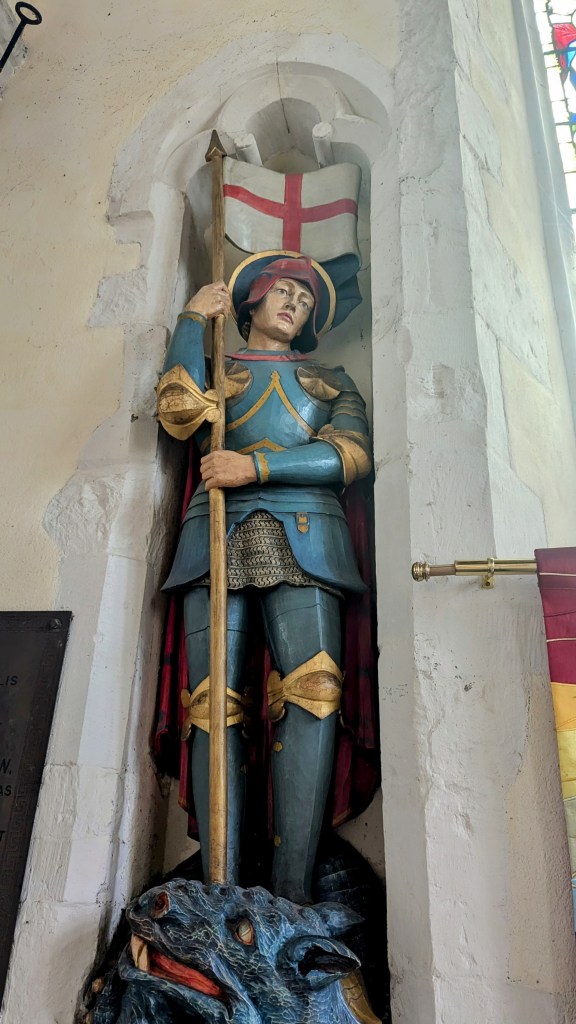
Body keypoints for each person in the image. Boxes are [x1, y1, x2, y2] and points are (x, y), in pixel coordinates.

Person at [157, 253, 371, 905]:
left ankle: (292, 894)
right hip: (215, 530)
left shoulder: (330, 381)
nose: (293, 306)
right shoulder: (218, 370)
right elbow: (177, 409)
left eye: (304, 303)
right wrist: (193, 319)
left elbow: (350, 455)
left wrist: (256, 469)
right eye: (283, 293)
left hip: (308, 531)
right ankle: (219, 891)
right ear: (250, 300)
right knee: (212, 703)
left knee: (314, 691)